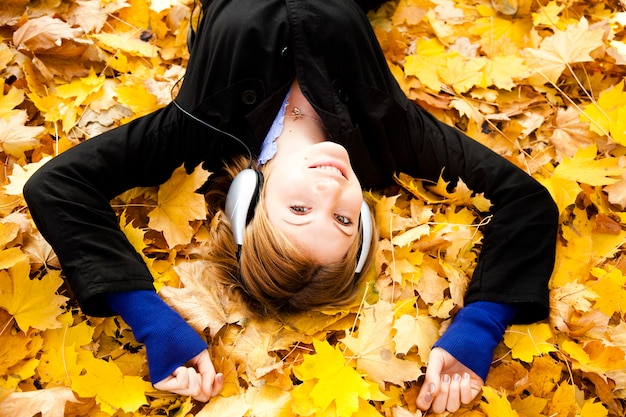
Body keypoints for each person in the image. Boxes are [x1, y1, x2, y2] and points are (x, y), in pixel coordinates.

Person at [22, 0, 559, 413]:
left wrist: (151, 320)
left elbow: (58, 187)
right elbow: (527, 203)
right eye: (345, 220)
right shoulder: (393, 136)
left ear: (247, 199)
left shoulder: (194, 135)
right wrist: (482, 324)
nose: (330, 192)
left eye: (299, 211)